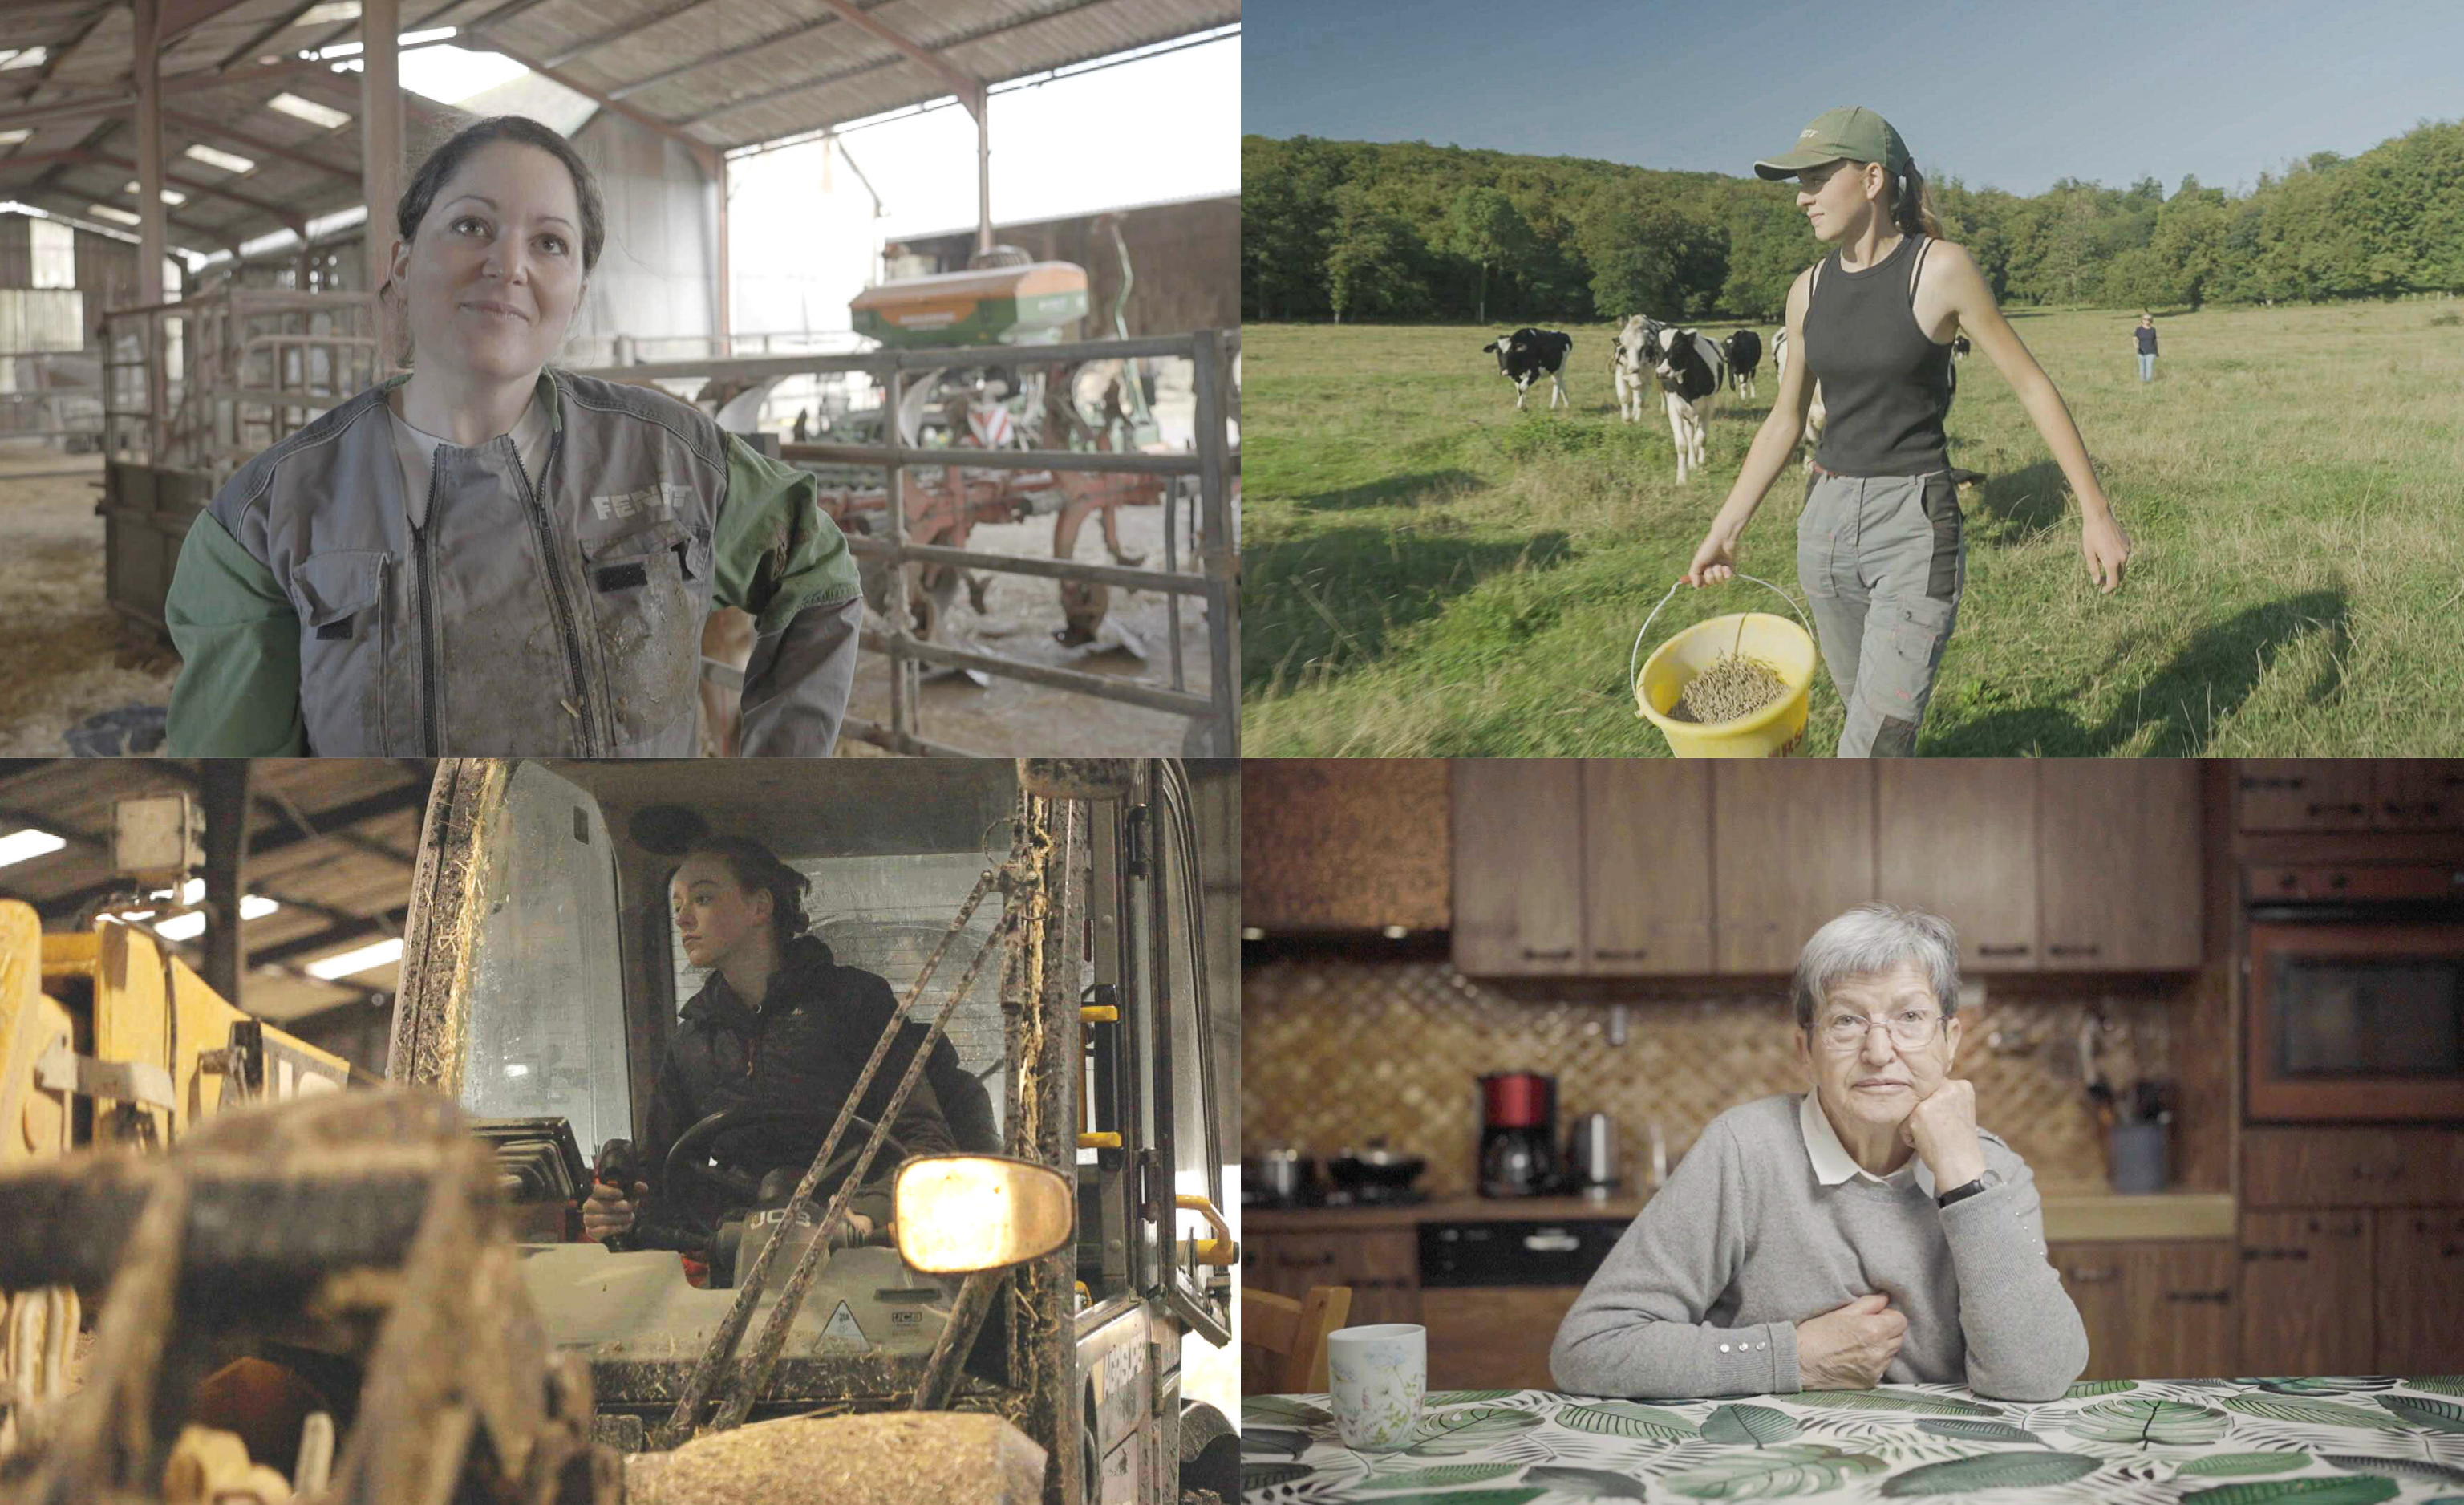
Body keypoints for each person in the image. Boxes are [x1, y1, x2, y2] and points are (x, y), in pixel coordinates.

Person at [163, 115, 862, 757]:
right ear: (403, 265)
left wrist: (779, 771)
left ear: (577, 292)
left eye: (550, 243)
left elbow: (818, 572)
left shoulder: (672, 457)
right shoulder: (263, 520)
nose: (508, 265)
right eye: (471, 227)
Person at [1684, 107, 2133, 757]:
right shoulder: (1806, 291)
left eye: (1814, 179)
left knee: (1870, 745)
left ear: (1871, 180)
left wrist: (2095, 512)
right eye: (1798, 184)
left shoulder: (1940, 269)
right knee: (1864, 714)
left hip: (1912, 525)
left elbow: (2032, 385)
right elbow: (1785, 420)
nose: (1802, 199)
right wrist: (1723, 532)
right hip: (1824, 527)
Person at [1550, 903, 2088, 1402]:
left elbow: (2036, 1377)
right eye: (1847, 1021)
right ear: (1805, 1048)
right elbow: (1589, 1350)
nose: (1879, 1053)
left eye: (1909, 1019)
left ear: (1951, 1042)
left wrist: (1965, 1181)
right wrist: (1790, 1358)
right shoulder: (1744, 1151)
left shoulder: (1992, 1170)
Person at [582, 834, 999, 1252]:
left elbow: (925, 1141)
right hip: (734, 1255)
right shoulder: (695, 1039)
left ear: (760, 907)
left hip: (857, 1251)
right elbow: (657, 1172)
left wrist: (865, 1211)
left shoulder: (853, 1005)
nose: (683, 920)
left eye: (702, 899)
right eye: (677, 907)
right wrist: (618, 1209)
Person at [2134, 314, 2160, 382]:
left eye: (2148, 319)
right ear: (2142, 320)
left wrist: (2157, 351)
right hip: (2141, 352)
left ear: (2151, 321)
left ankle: (2148, 382)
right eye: (2144, 319)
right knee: (2142, 368)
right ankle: (2143, 383)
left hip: (2151, 352)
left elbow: (2155, 341)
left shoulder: (2153, 330)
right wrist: (2136, 346)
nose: (2146, 321)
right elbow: (2135, 339)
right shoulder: (2138, 329)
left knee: (2149, 367)